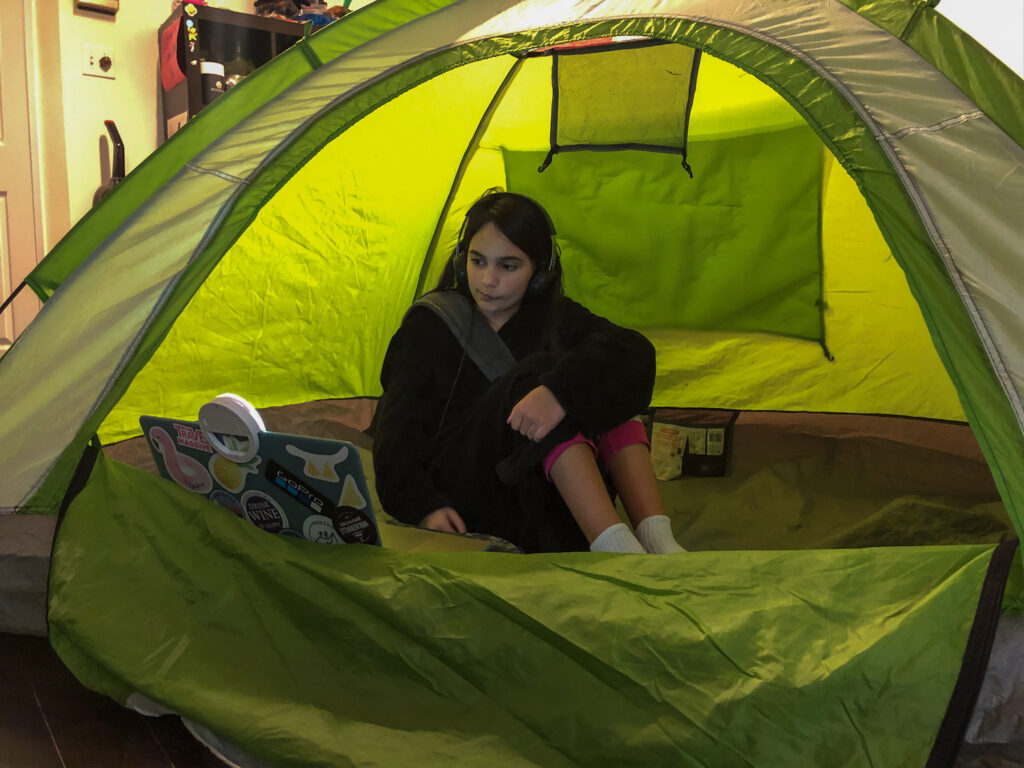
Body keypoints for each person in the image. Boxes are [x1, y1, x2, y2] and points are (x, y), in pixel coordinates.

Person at [371, 191, 685, 555]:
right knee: (541, 374)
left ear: (539, 272)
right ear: (461, 262)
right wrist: (424, 507)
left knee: (603, 378)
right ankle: (617, 551)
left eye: (508, 266)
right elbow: (394, 447)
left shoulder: (554, 317)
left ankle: (657, 539)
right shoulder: (429, 327)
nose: (488, 280)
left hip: (543, 500)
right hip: (466, 498)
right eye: (477, 261)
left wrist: (560, 394)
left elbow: (636, 353)